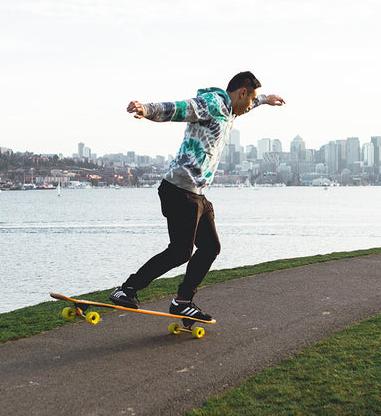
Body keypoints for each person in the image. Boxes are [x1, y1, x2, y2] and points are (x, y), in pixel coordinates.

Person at [108, 71, 286, 326]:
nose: (250, 106)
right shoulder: (212, 103)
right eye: (251, 99)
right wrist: (145, 109)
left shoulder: (231, 110)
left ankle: (182, 302)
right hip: (179, 188)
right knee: (180, 252)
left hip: (196, 193)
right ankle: (127, 289)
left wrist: (267, 99)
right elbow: (179, 109)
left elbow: (251, 104)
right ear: (242, 92)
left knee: (210, 247)